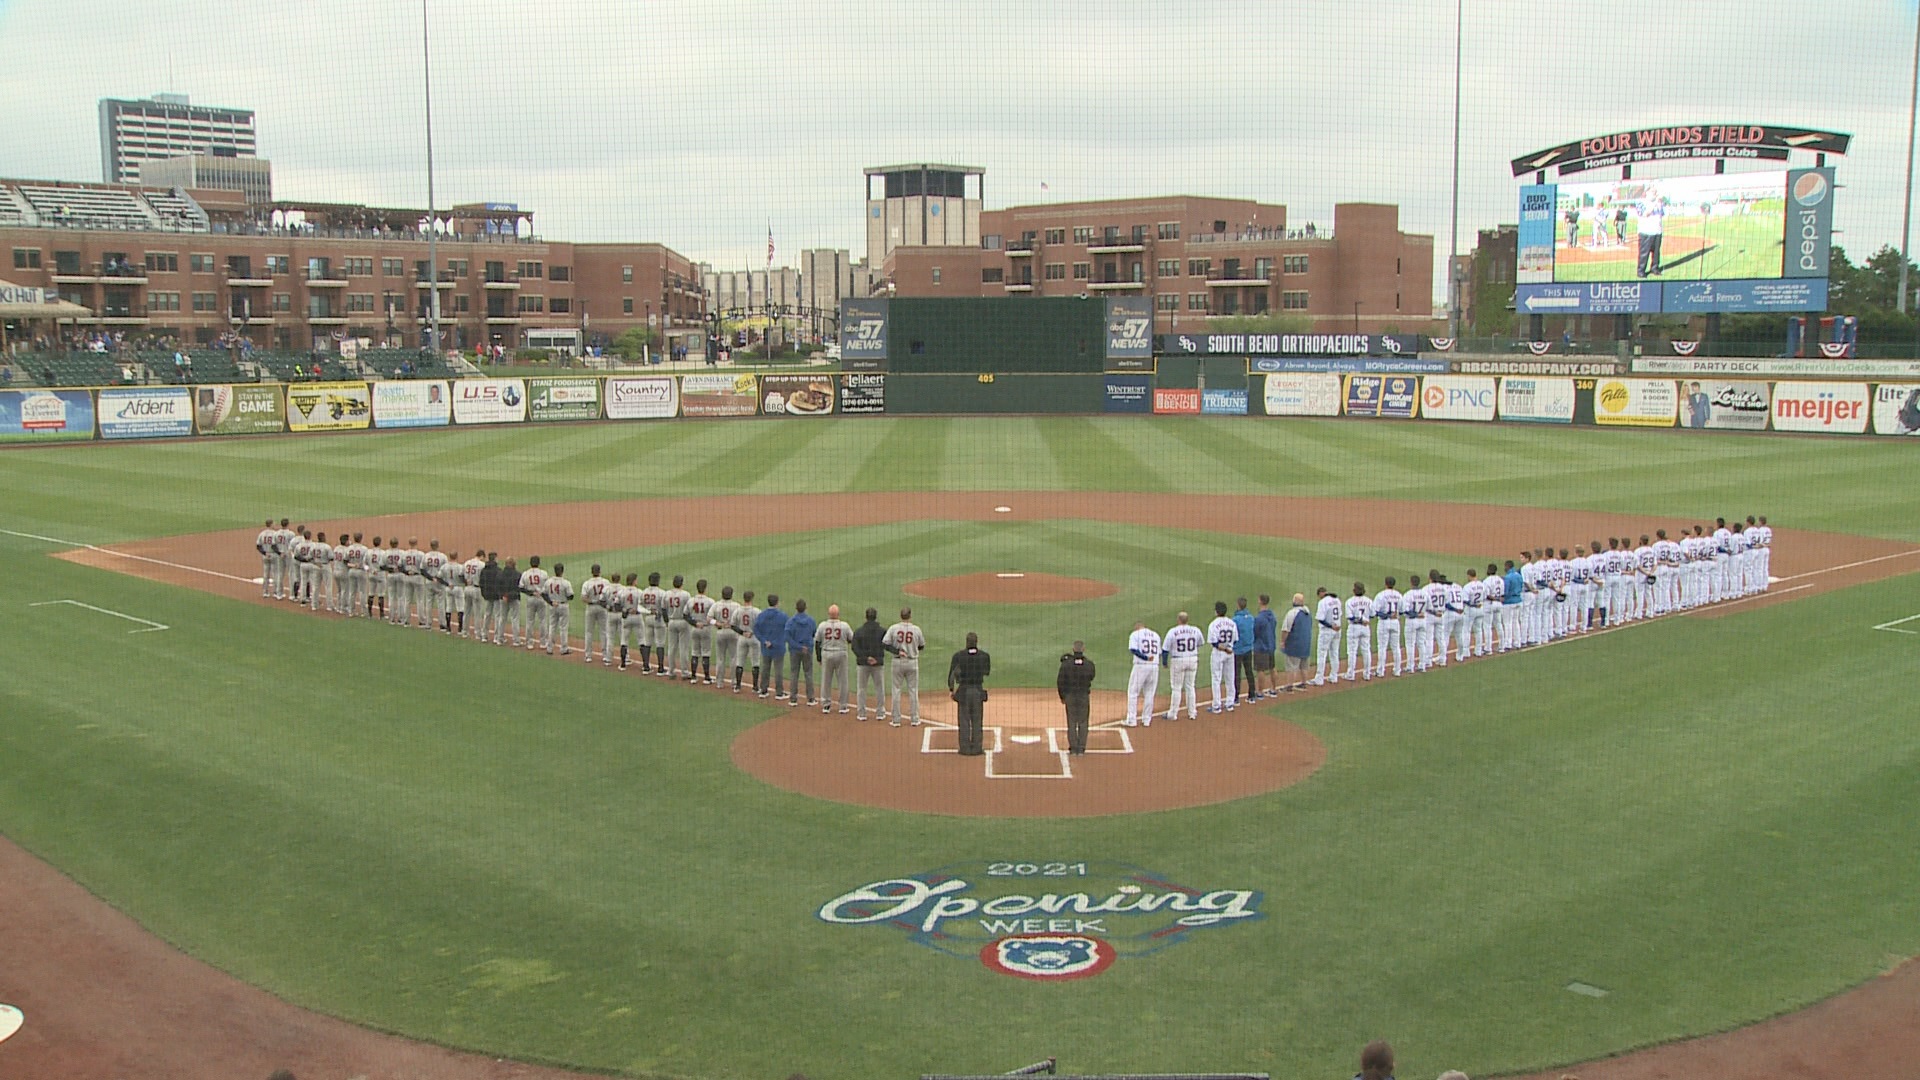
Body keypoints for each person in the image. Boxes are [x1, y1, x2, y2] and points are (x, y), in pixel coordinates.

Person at [947, 631, 990, 756]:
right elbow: (986, 672)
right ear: (976, 642)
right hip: (977, 690)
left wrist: (951, 690)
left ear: (966, 642)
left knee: (964, 719)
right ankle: (977, 748)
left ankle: (965, 748)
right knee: (977, 719)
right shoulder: (984, 656)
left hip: (964, 691)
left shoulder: (958, 656)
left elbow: (951, 675)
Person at [883, 607, 925, 727]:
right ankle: (915, 719)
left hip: (897, 662)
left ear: (900, 616)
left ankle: (896, 720)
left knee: (896, 690)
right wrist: (912, 648)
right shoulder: (916, 629)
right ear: (910, 616)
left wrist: (897, 651)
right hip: (912, 662)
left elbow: (885, 644)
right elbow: (921, 646)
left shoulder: (893, 628)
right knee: (913, 690)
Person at [1161, 611, 1203, 721]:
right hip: (1192, 659)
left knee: (1176, 688)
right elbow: (1200, 643)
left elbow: (1165, 650)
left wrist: (1164, 663)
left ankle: (1173, 714)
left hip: (1178, 660)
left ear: (1178, 620)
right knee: (1190, 686)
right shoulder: (1196, 630)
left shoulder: (1172, 631)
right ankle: (1192, 713)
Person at [814, 603, 854, 713]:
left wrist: (819, 658)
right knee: (843, 680)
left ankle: (826, 705)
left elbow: (817, 642)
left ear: (828, 614)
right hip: (841, 654)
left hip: (826, 654)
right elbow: (851, 639)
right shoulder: (844, 625)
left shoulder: (822, 625)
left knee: (826, 680)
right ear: (838, 614)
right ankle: (843, 706)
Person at [1057, 641, 1095, 754]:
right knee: (1083, 722)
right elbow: (1092, 676)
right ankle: (1081, 748)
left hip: (1070, 696)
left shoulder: (1066, 664)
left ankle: (1073, 748)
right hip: (1083, 695)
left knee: (1072, 721)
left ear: (1073, 649)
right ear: (1083, 649)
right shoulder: (1089, 664)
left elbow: (1060, 681)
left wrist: (1062, 696)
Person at [852, 606, 888, 721]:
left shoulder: (859, 631)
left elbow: (854, 648)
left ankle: (861, 713)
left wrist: (866, 658)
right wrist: (876, 658)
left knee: (862, 688)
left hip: (862, 664)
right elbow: (886, 645)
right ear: (875, 617)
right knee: (879, 688)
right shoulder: (882, 631)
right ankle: (880, 713)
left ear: (866, 617)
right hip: (878, 664)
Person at [1124, 620, 1161, 727]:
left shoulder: (1135, 634)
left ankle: (1132, 720)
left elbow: (1133, 650)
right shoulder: (1155, 635)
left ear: (1136, 628)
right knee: (1150, 693)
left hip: (1141, 666)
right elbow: (1159, 652)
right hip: (1154, 667)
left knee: (1133, 692)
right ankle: (1147, 720)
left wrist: (1145, 658)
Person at [753, 594, 789, 700]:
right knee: (778, 670)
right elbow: (788, 630)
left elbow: (756, 630)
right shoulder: (783, 616)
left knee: (765, 669)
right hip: (778, 647)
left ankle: (763, 690)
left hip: (766, 647)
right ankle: (779, 693)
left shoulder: (762, 615)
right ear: (777, 602)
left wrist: (764, 641)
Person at [1205, 601, 1238, 713]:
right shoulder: (1232, 623)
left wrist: (1224, 649)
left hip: (1218, 653)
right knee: (1230, 678)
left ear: (1216, 611)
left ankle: (1217, 705)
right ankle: (1230, 703)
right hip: (1230, 653)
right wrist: (1229, 649)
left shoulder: (1213, 624)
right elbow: (1236, 639)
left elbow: (1214, 643)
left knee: (1216, 678)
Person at [784, 598, 817, 705]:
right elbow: (813, 634)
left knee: (794, 673)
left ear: (796, 609)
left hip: (794, 650)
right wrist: (805, 646)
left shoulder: (791, 621)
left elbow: (787, 637)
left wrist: (797, 646)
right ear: (805, 608)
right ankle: (811, 698)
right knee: (808, 673)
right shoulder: (811, 620)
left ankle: (793, 698)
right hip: (807, 650)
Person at [1371, 577, 1404, 677]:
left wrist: (1387, 615)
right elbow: (1402, 611)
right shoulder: (1399, 595)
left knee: (1382, 647)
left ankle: (1380, 671)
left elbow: (1375, 612)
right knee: (1396, 647)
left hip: (1384, 623)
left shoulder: (1381, 595)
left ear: (1385, 584)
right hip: (1395, 622)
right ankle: (1397, 670)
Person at [1279, 593, 1311, 691]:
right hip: (1306, 643)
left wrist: (1282, 641)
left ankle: (1289, 685)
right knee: (1304, 665)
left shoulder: (1292, 613)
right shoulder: (1307, 612)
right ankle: (1304, 683)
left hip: (1294, 644)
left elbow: (1286, 630)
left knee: (1291, 665)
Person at [579, 564, 612, 662]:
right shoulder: (606, 582)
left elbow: (583, 598)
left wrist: (593, 601)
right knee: (604, 631)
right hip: (602, 608)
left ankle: (588, 655)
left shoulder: (587, 583)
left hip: (591, 608)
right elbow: (610, 596)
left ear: (592, 572)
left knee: (589, 632)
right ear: (600, 571)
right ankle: (605, 655)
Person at [1343, 582, 1374, 681]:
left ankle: (1351, 674)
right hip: (1365, 628)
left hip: (1354, 628)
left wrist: (1360, 620)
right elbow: (1373, 615)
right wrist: (1364, 619)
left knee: (1352, 652)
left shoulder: (1349, 601)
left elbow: (1350, 618)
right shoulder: (1369, 601)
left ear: (1354, 590)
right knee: (1366, 650)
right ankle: (1367, 674)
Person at [518, 555, 551, 650]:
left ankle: (529, 643)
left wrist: (531, 592)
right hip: (541, 598)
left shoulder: (525, 573)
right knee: (543, 621)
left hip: (530, 598)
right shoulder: (544, 573)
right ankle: (543, 643)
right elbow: (547, 588)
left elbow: (521, 587)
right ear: (539, 563)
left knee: (530, 621)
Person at [664, 574, 693, 679]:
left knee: (671, 648)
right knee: (683, 648)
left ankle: (671, 671)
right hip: (683, 621)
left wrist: (666, 621)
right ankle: (684, 672)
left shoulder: (667, 594)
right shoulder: (686, 594)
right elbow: (690, 610)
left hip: (671, 621)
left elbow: (663, 609)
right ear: (682, 583)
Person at [1312, 586, 1343, 685]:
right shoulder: (1337, 600)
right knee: (1334, 653)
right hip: (1338, 630)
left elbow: (1320, 619)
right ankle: (1334, 677)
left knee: (1322, 653)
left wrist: (1330, 626)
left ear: (1320, 593)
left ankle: (1319, 679)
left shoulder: (1323, 602)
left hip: (1327, 631)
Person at [687, 579, 715, 683]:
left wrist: (695, 623)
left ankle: (694, 676)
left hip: (694, 628)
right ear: (705, 588)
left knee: (695, 651)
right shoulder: (710, 601)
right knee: (706, 652)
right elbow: (713, 618)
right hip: (706, 628)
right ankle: (707, 677)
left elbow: (685, 615)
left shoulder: (691, 600)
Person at [732, 590, 761, 692]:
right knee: (755, 662)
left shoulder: (738, 610)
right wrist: (752, 633)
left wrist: (742, 632)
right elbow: (760, 626)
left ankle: (738, 686)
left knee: (740, 661)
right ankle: (755, 687)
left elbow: (732, 625)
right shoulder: (756, 611)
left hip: (742, 638)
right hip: (753, 638)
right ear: (752, 598)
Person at [543, 563, 574, 654]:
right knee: (563, 628)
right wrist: (563, 598)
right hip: (563, 606)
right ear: (562, 571)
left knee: (552, 626)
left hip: (552, 605)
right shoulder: (565, 582)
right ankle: (564, 648)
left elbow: (543, 594)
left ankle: (549, 648)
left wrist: (551, 602)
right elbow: (571, 596)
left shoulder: (548, 581)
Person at [1230, 597, 1257, 705]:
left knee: (1236, 673)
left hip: (1237, 650)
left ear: (1238, 605)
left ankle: (1236, 697)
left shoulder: (1235, 620)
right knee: (1249, 671)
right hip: (1248, 649)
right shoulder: (1251, 618)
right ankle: (1252, 695)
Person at [1250, 595, 1278, 698]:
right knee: (1272, 667)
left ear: (1260, 601)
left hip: (1261, 647)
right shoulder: (1272, 616)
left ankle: (1260, 692)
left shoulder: (1259, 618)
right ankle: (1274, 689)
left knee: (1260, 670)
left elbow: (1255, 632)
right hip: (1271, 645)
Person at [711, 586, 740, 685]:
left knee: (720, 658)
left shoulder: (716, 605)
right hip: (732, 632)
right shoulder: (736, 606)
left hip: (721, 632)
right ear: (731, 594)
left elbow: (709, 619)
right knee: (734, 657)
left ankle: (719, 682)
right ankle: (734, 682)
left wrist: (717, 623)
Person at [255, 519, 277, 598]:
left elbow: (258, 546)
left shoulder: (262, 534)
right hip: (273, 555)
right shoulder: (275, 534)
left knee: (265, 574)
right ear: (271, 524)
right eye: (274, 523)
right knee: (275, 574)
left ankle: (265, 592)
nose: (275, 524)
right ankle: (275, 592)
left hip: (265, 555)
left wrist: (265, 553)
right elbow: (275, 546)